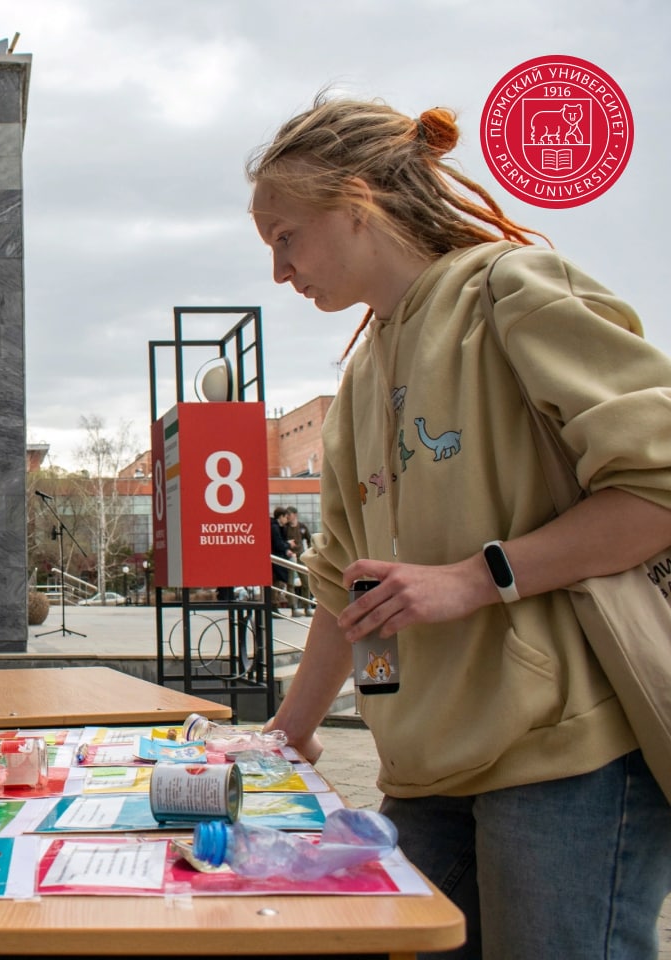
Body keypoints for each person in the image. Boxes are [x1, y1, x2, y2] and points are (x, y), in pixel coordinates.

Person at [250, 95, 671, 959]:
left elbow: (656, 486)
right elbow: (343, 586)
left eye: (285, 236)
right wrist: (285, 736)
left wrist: (475, 578)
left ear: (357, 203)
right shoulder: (362, 372)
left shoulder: (510, 289)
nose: (280, 272)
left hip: (563, 759)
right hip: (420, 769)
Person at [284, 507, 314, 615]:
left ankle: (307, 606)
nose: (287, 516)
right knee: (290, 583)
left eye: (289, 514)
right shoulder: (285, 528)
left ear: (295, 515)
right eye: (286, 514)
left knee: (306, 582)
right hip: (290, 557)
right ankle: (293, 607)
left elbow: (310, 539)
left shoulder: (302, 527)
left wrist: (309, 552)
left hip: (301, 556)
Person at [269, 507, 296, 614]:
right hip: (277, 559)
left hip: (279, 557)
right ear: (281, 517)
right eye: (285, 517)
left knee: (278, 582)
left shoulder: (279, 527)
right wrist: (288, 544)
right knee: (277, 582)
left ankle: (274, 605)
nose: (287, 519)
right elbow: (278, 544)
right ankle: (273, 606)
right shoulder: (275, 527)